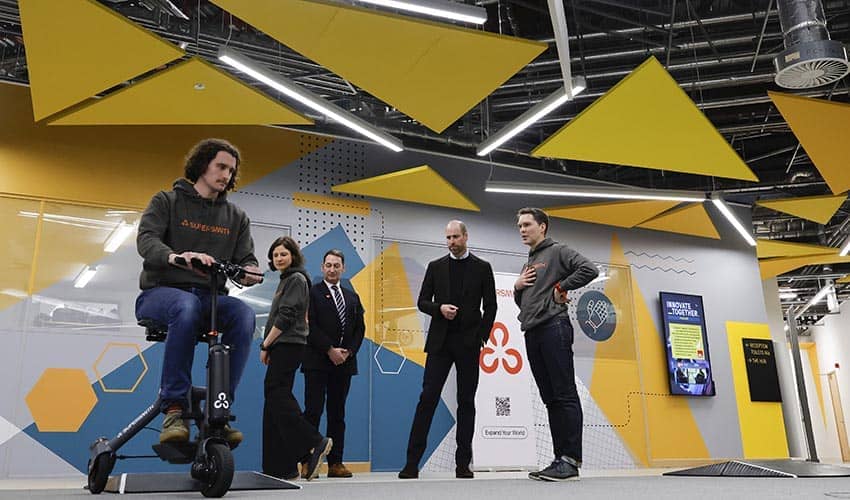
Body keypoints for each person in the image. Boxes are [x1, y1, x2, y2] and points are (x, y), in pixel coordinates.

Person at [135, 138, 262, 446]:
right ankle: (175, 408)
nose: (227, 175)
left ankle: (220, 405)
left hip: (210, 299)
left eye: (231, 170)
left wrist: (250, 273)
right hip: (161, 293)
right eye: (221, 166)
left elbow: (247, 260)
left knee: (243, 315)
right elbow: (147, 241)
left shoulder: (236, 217)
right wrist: (177, 256)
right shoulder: (166, 201)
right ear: (202, 165)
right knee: (187, 305)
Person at [399, 220, 497, 480]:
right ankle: (411, 464)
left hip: (468, 344)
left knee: (466, 402)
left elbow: (491, 306)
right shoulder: (435, 267)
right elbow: (422, 302)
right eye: (448, 238)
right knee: (427, 398)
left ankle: (463, 464)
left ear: (466, 236)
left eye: (456, 237)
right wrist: (439, 308)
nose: (451, 242)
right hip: (440, 343)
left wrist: (481, 337)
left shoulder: (483, 268)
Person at [513, 207, 598, 482]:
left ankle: (570, 460)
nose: (522, 229)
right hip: (533, 331)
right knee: (550, 398)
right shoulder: (528, 263)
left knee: (564, 394)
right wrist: (517, 287)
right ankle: (559, 459)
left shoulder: (558, 251)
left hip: (554, 327)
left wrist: (562, 287)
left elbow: (589, 269)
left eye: (527, 224)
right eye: (519, 226)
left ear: (543, 226)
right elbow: (525, 302)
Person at [260, 236, 332, 481]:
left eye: (283, 254)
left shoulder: (297, 279)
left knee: (275, 391)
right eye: (275, 255)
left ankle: (314, 442)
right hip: (283, 345)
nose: (279, 258)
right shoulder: (287, 280)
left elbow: (286, 315)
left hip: (288, 345)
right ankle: (282, 466)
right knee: (273, 405)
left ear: (293, 256)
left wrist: (265, 344)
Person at [302, 249, 366, 478]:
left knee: (337, 414)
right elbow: (310, 326)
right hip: (317, 361)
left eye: (336, 265)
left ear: (343, 268)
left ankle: (336, 463)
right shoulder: (312, 293)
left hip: (344, 364)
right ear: (322, 268)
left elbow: (360, 328)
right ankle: (308, 462)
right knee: (313, 412)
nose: (332, 269)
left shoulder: (352, 296)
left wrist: (348, 352)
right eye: (328, 265)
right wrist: (329, 349)